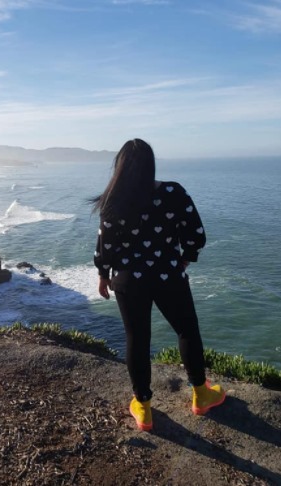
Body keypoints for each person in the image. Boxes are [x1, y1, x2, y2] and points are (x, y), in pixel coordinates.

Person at [93, 138, 225, 431]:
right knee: (187, 330)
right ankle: (202, 395)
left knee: (137, 339)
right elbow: (196, 233)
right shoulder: (172, 192)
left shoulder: (112, 199)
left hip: (129, 280)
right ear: (151, 165)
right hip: (168, 275)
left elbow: (106, 247)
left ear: (120, 166)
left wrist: (103, 275)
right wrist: (186, 257)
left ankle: (143, 407)